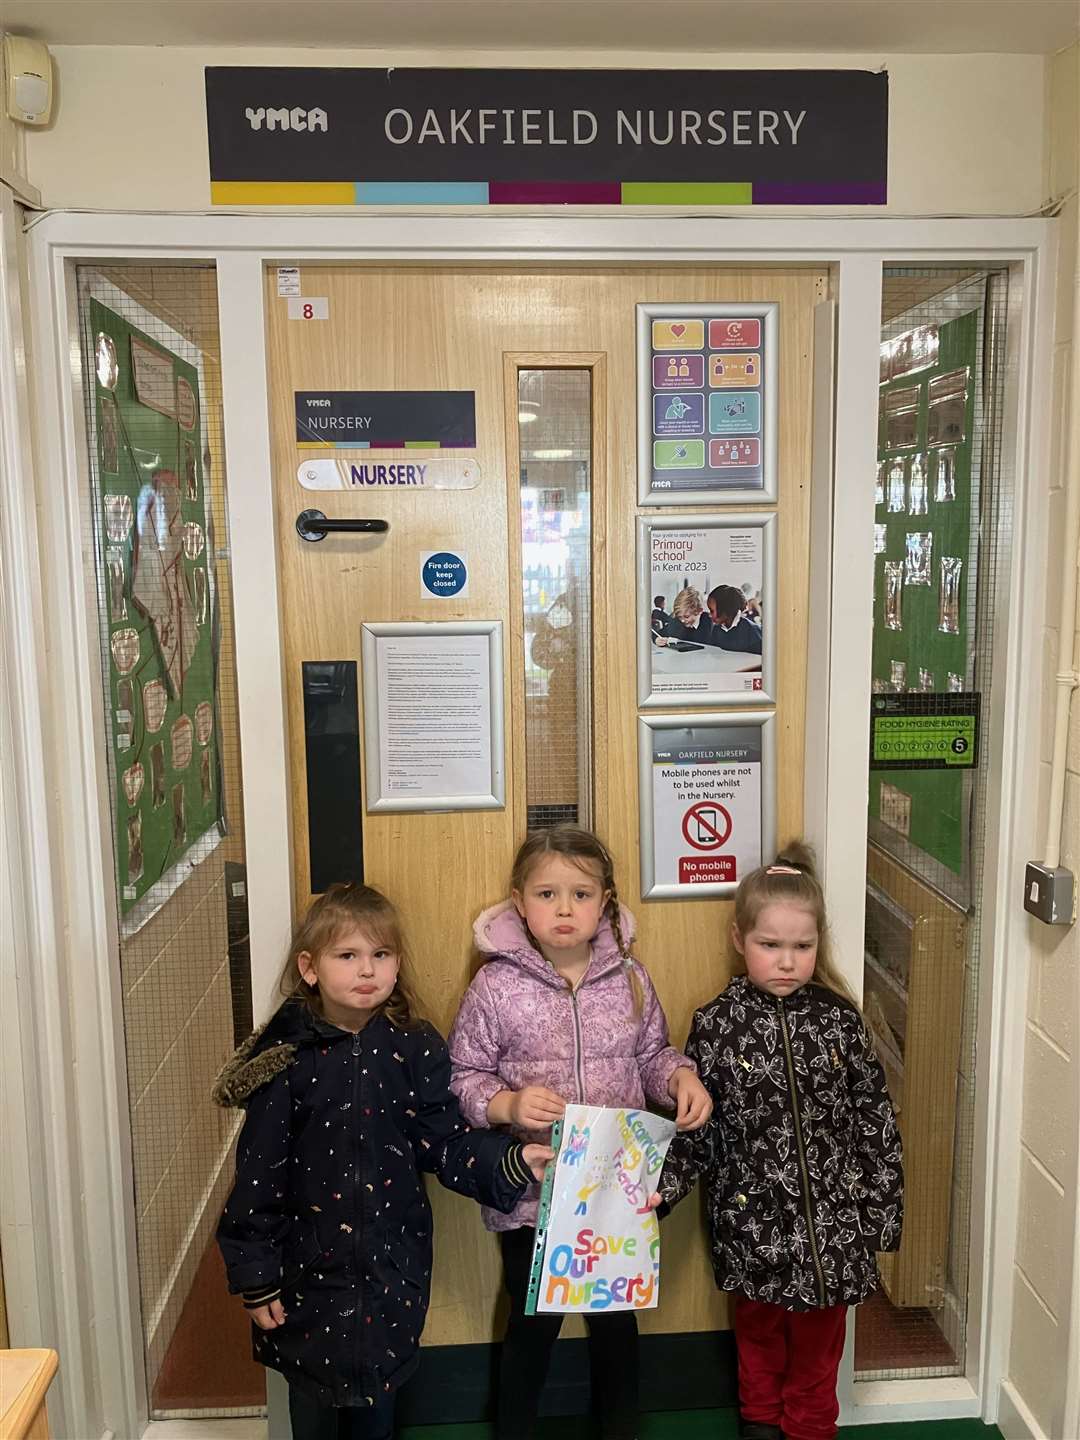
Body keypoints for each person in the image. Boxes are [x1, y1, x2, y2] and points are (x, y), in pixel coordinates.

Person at [213, 883, 553, 1440]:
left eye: (381, 955)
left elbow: (443, 1142)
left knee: (378, 1413)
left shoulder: (413, 1046)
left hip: (391, 1269)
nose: (367, 969)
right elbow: (258, 1178)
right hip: (307, 1275)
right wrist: (257, 1278)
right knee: (314, 1415)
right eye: (347, 955)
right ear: (310, 967)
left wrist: (512, 1161)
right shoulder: (287, 1061)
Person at [448, 826, 712, 1440]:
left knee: (617, 1329)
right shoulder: (495, 986)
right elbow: (463, 1074)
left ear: (607, 902)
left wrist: (680, 1078)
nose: (564, 909)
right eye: (546, 894)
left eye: (581, 894)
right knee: (532, 1324)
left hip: (616, 1196)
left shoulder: (631, 979)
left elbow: (652, 1054)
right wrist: (507, 1103)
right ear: (519, 901)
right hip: (532, 1197)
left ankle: (620, 1429)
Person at [654, 844, 903, 1440]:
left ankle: (811, 1427)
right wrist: (656, 1192)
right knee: (758, 1331)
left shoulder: (841, 1019)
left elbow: (875, 1120)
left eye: (802, 946)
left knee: (820, 1343)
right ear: (739, 939)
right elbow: (697, 1124)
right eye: (771, 945)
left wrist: (880, 1212)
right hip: (752, 1220)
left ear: (819, 942)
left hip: (834, 1225)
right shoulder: (716, 1021)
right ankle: (760, 1422)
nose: (788, 962)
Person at [704, 583, 763, 655]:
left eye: (712, 611)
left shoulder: (752, 632)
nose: (709, 615)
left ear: (726, 610)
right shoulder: (716, 629)